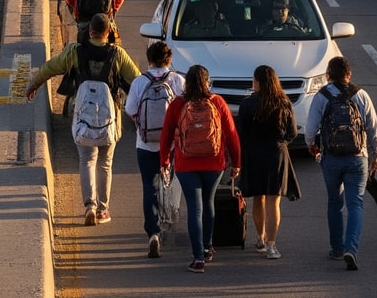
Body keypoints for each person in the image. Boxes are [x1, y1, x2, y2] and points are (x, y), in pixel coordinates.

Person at [26, 14, 141, 228]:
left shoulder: (74, 52)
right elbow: (138, 80)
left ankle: (89, 205)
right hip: (110, 120)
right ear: (109, 33)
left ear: (90, 32)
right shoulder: (118, 55)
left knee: (87, 160)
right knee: (105, 164)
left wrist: (34, 84)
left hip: (82, 118)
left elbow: (50, 67)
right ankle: (103, 210)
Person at [160, 64, 242, 273]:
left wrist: (164, 161)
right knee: (208, 203)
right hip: (214, 163)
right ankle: (207, 247)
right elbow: (232, 135)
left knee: (194, 209)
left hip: (186, 163)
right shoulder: (217, 103)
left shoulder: (178, 104)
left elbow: (166, 134)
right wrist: (237, 163)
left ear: (187, 83)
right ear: (207, 82)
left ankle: (198, 259)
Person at [306, 56, 377, 271]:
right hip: (358, 157)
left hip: (331, 158)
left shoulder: (322, 96)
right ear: (349, 74)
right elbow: (373, 129)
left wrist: (312, 146)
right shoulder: (361, 95)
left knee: (334, 203)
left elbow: (310, 130)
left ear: (328, 75)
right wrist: (375, 157)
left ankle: (337, 248)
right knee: (355, 203)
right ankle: (351, 248)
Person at [124, 40, 186, 259]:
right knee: (172, 181)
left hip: (146, 143)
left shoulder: (140, 82)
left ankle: (153, 232)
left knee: (149, 187)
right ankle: (170, 215)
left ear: (149, 60)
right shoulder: (178, 80)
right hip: (172, 144)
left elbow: (130, 109)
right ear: (169, 60)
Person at [235, 64, 298, 260]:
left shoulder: (247, 104)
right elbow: (292, 132)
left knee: (258, 197)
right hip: (276, 154)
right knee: (274, 200)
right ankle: (272, 245)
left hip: (254, 154)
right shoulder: (283, 102)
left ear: (257, 82)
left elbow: (241, 132)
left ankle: (260, 238)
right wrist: (281, 143)